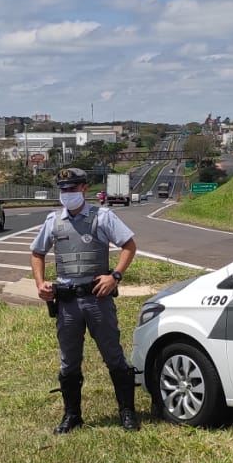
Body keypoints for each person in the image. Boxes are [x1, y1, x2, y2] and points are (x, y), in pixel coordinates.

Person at [30, 167, 141, 434]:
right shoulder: (53, 222)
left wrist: (115, 276)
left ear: (84, 189)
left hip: (97, 299)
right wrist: (40, 284)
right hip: (67, 302)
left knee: (114, 356)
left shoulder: (102, 217)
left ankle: (127, 412)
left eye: (72, 188)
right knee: (69, 361)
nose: (67, 194)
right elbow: (37, 252)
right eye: (63, 189)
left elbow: (129, 245)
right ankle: (72, 415)